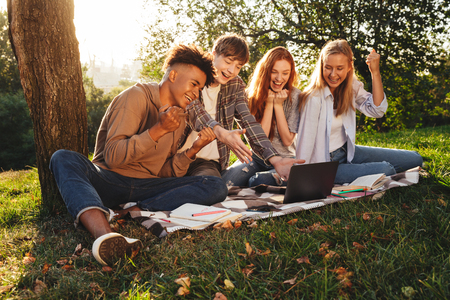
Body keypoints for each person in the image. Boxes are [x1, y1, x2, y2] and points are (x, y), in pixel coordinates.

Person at [50, 44, 228, 266]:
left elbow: (163, 171)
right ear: (173, 75)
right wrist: (158, 130)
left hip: (145, 188)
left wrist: (194, 149)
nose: (196, 94)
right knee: (63, 157)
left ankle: (136, 211)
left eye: (200, 89)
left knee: (215, 185)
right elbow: (113, 156)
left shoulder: (179, 118)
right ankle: (106, 236)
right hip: (109, 180)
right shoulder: (135, 97)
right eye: (194, 84)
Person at [179, 34, 304, 185]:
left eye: (238, 66)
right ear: (214, 55)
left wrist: (274, 158)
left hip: (205, 163)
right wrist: (222, 133)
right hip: (176, 154)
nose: (232, 70)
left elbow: (249, 122)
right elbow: (196, 112)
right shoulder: (193, 77)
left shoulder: (235, 85)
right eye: (228, 62)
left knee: (215, 187)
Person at [296, 39, 422, 184]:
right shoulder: (313, 98)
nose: (333, 74)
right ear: (321, 67)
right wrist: (301, 178)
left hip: (348, 151)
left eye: (339, 68)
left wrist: (375, 73)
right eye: (328, 67)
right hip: (325, 165)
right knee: (387, 169)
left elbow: (377, 111)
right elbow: (304, 144)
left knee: (415, 159)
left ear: (349, 67)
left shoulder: (351, 88)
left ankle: (355, 168)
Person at [225, 46, 301, 187]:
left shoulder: (296, 96)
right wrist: (269, 103)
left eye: (285, 73)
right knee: (226, 183)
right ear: (265, 71)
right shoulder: (249, 95)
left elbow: (287, 141)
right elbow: (261, 138)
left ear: (290, 74)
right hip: (256, 158)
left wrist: (278, 106)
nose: (279, 78)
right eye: (274, 72)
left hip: (285, 158)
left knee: (257, 181)